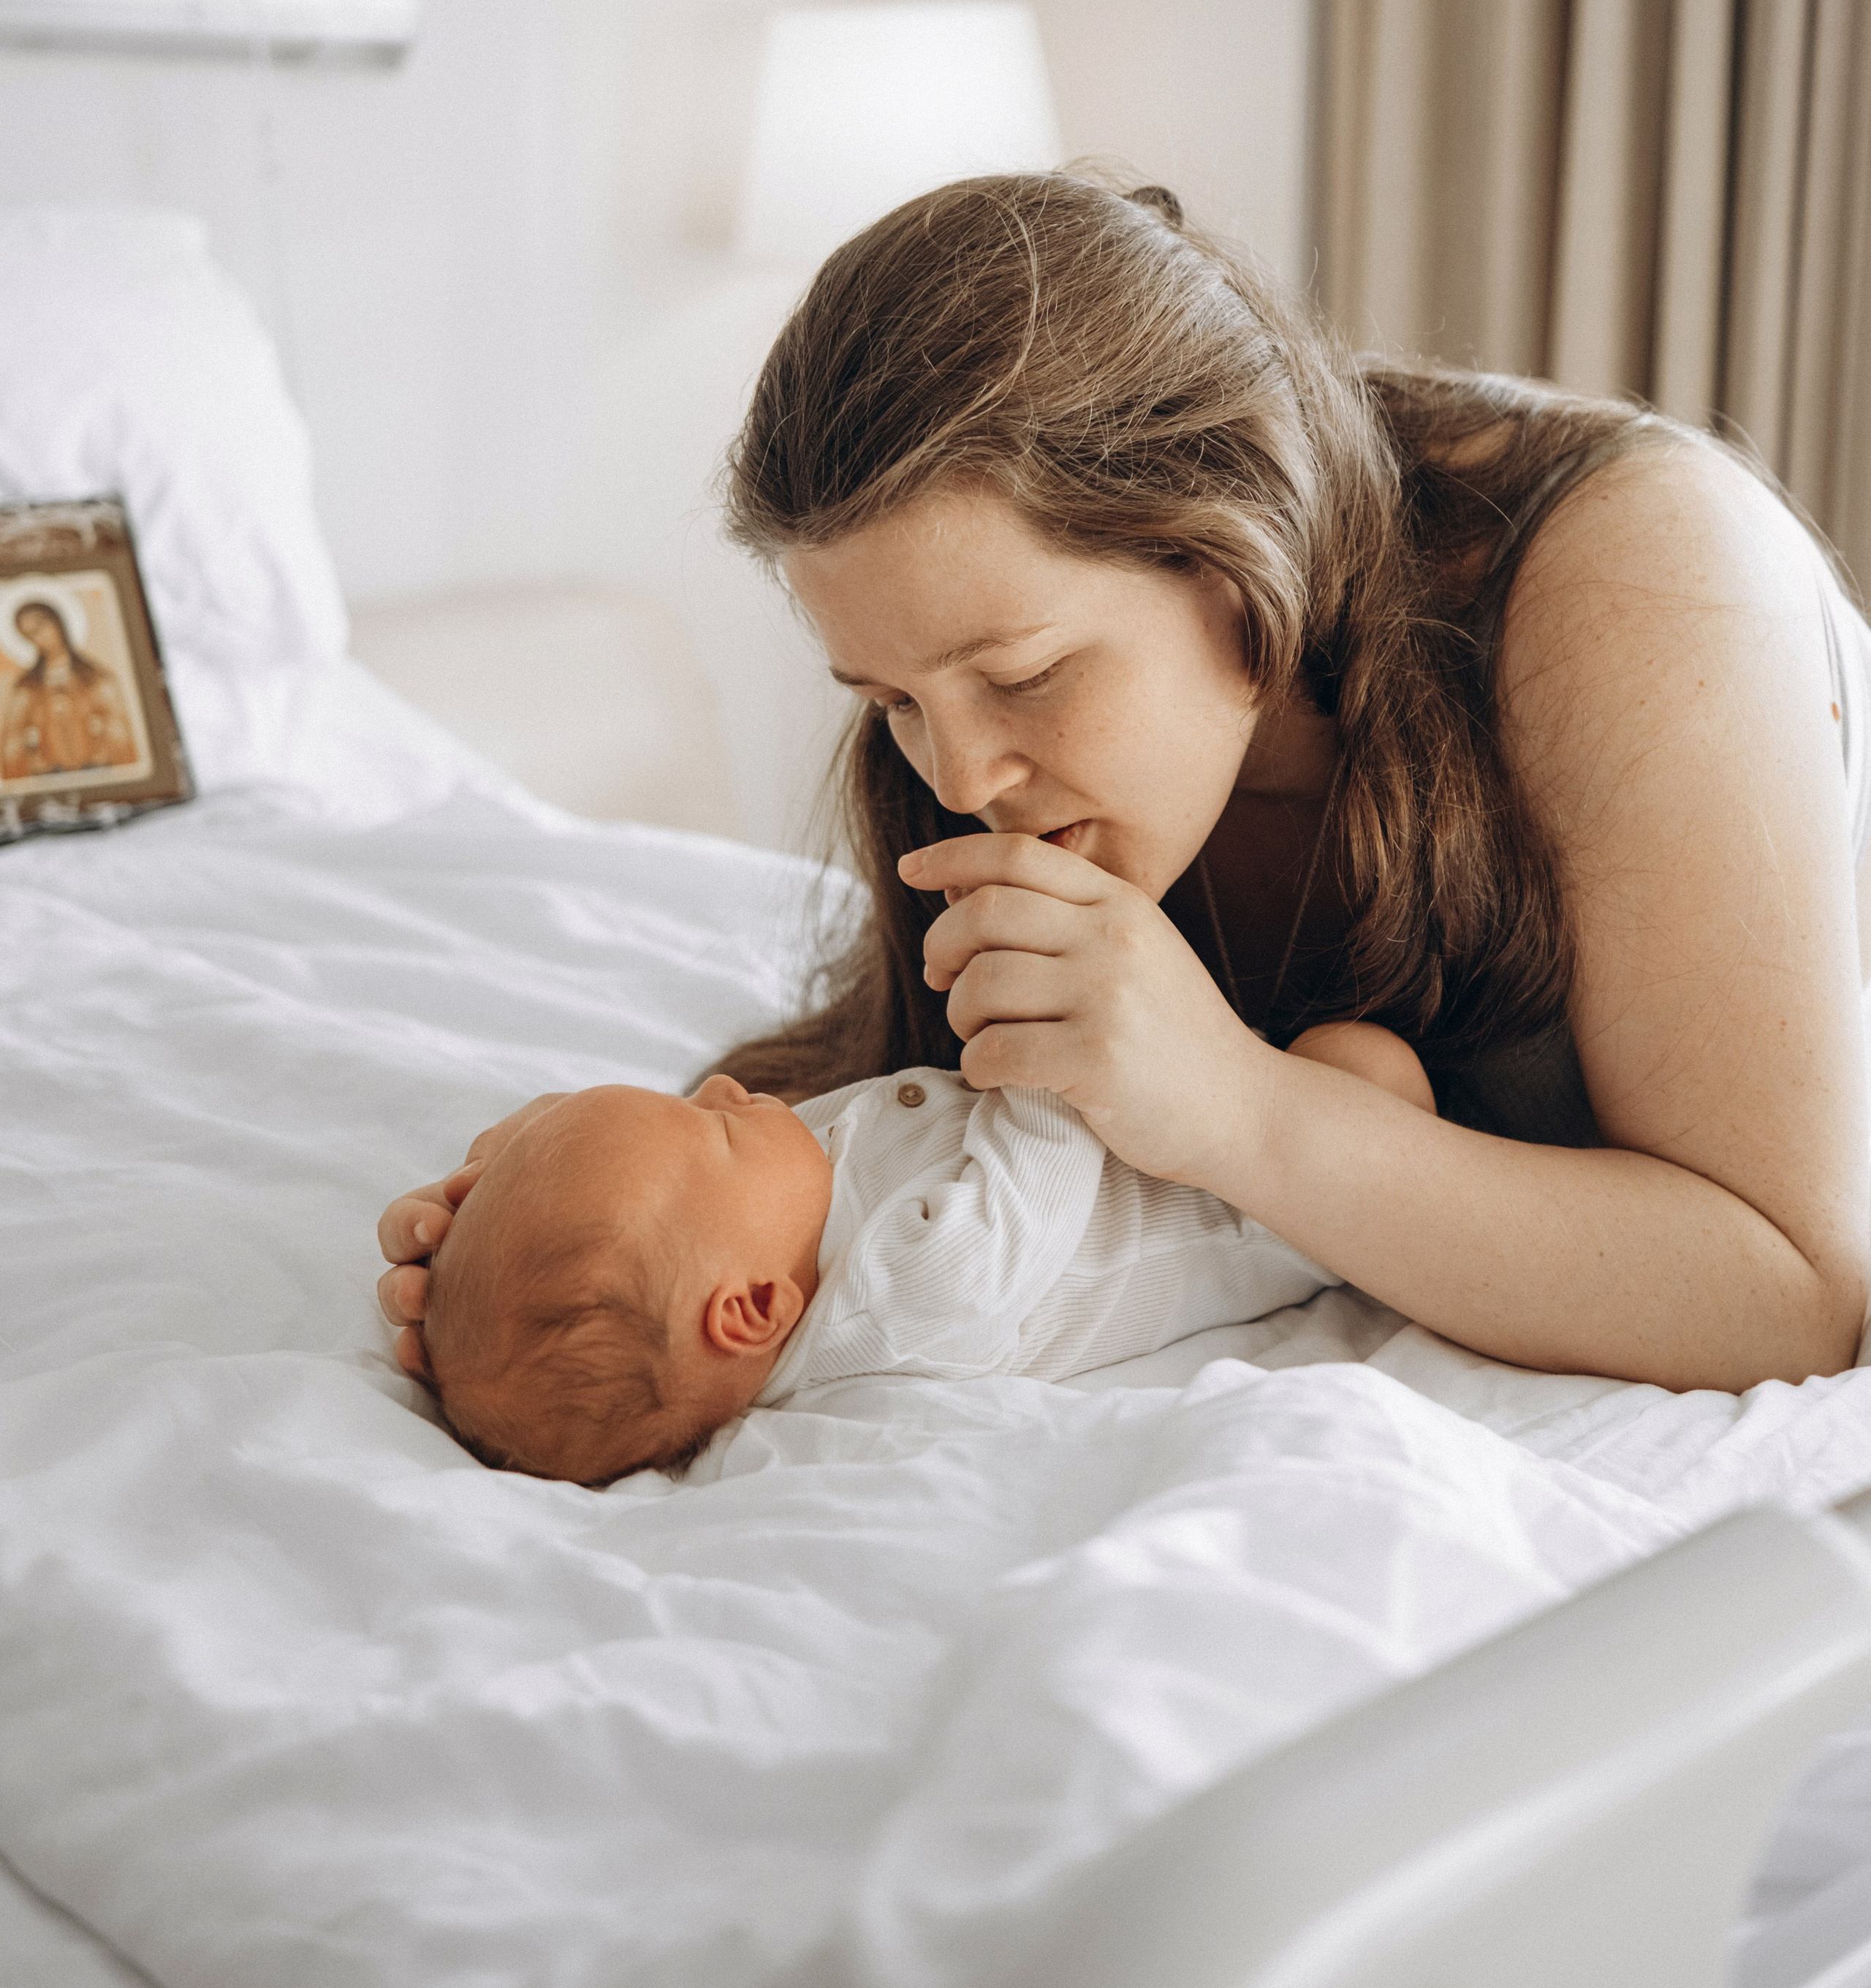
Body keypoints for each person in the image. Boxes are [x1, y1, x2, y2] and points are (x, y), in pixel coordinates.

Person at [381, 175, 1871, 1397]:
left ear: (1236, 553)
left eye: (1026, 677)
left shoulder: (1640, 582)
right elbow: (905, 1123)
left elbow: (1794, 1297)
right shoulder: (968, 704)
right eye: (889, 703)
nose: (963, 775)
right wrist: (601, 1232)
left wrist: (1241, 1109)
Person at [395, 1020, 1424, 1486]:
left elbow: (664, 1194)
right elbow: (1045, 1163)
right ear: (749, 1311)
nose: (722, 1091)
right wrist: (1038, 1034)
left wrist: (558, 1154)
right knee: (1362, 1065)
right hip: (1259, 1209)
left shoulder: (774, 1226)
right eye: (715, 1127)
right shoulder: (904, 1297)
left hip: (1179, 1126)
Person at [0, 594, 140, 781]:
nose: (40, 635)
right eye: (31, 634)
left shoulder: (94, 677)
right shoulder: (27, 687)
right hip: (49, 777)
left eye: (42, 625)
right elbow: (12, 741)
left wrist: (102, 745)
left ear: (57, 621)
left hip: (98, 772)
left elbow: (120, 728)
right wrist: (34, 758)